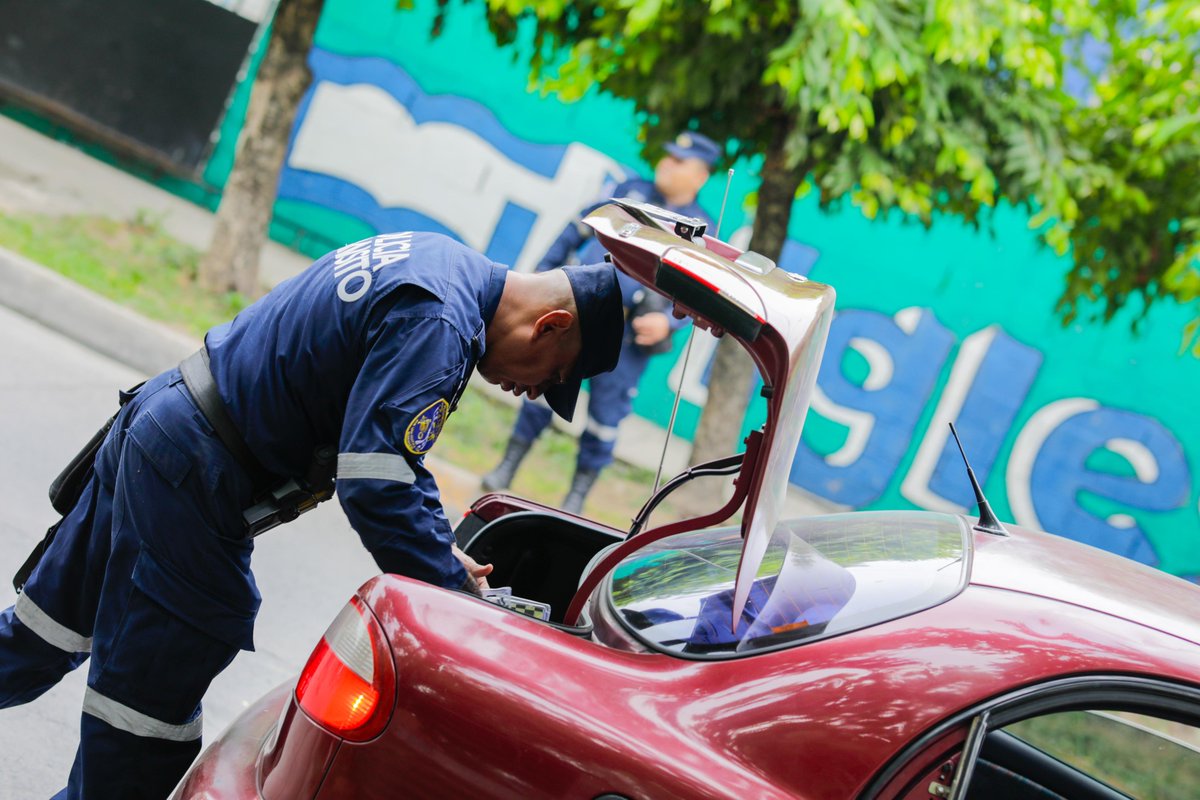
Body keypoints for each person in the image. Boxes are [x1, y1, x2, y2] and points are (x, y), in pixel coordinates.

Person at [0, 231, 624, 799]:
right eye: (555, 376)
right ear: (550, 325)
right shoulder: (441, 321)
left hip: (164, 429)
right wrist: (453, 592)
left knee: (36, 638)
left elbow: (384, 453)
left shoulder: (442, 262)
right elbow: (376, 481)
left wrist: (436, 545)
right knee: (142, 728)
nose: (535, 393)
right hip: (190, 474)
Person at [482, 130, 720, 513]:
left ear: (701, 176)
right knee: (542, 390)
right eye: (668, 156)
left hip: (628, 343)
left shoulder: (701, 229)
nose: (666, 164)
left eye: (679, 162)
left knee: (604, 422)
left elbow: (698, 296)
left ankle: (575, 500)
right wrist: (542, 277)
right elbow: (576, 230)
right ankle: (506, 468)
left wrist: (669, 324)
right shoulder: (630, 190)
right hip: (578, 317)